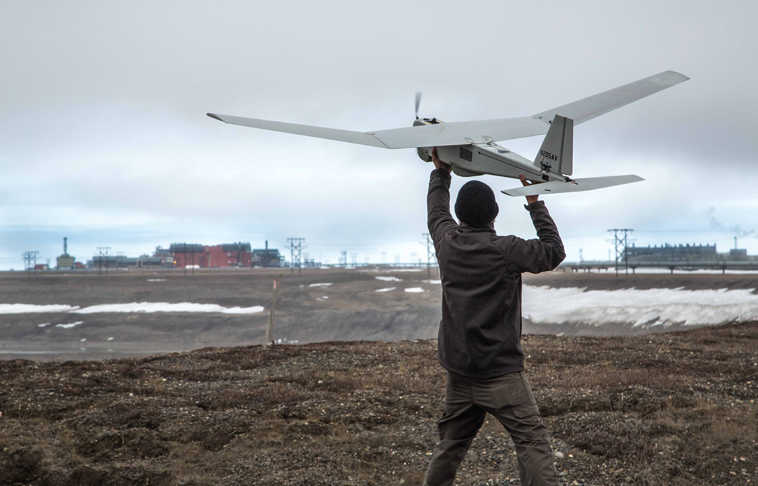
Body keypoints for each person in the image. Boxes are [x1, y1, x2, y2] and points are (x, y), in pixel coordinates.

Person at [423, 148, 565, 486]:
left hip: (459, 374)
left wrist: (440, 171)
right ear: (494, 214)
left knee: (450, 446)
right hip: (501, 375)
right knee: (531, 443)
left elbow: (435, 211)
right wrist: (535, 203)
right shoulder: (507, 250)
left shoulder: (447, 243)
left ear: (460, 215)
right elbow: (553, 251)